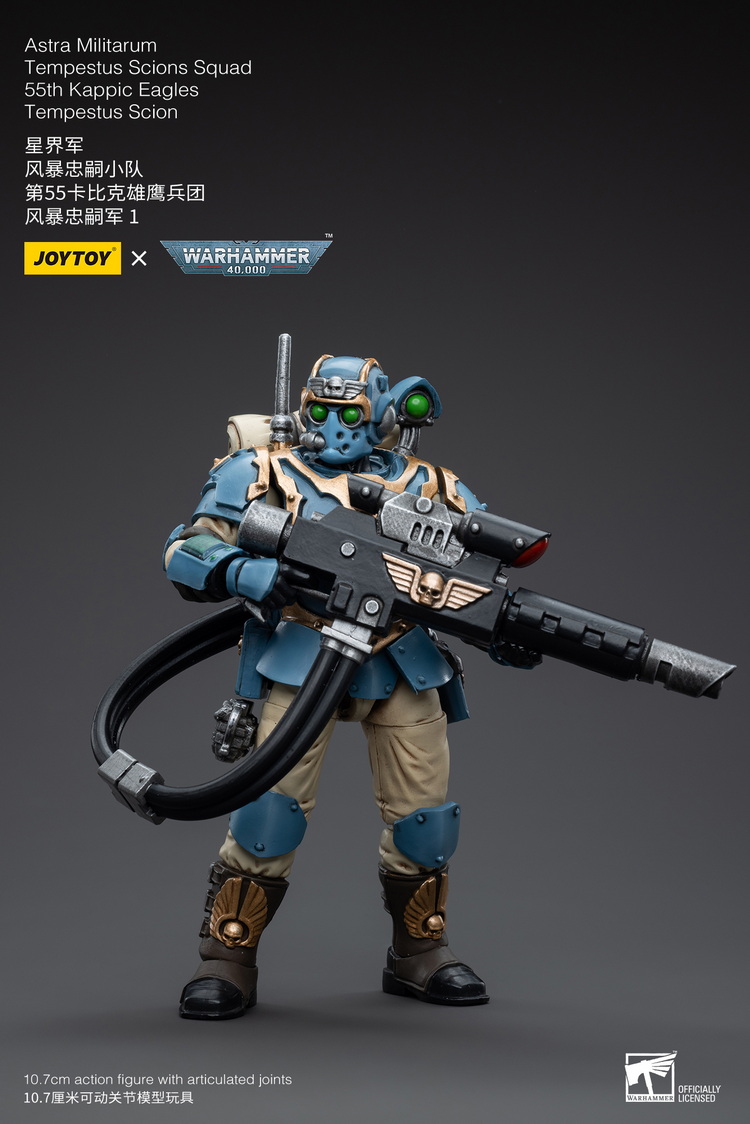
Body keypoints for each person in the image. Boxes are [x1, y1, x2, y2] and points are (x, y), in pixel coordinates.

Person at [164, 353, 504, 1019]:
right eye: (319, 410)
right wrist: (245, 572)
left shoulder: (428, 483)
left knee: (425, 819)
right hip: (302, 653)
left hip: (399, 657)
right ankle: (227, 957)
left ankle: (420, 951)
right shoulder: (265, 470)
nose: (332, 425)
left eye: (349, 413)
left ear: (382, 414)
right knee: (268, 814)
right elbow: (186, 548)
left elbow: (482, 575)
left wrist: (503, 634)